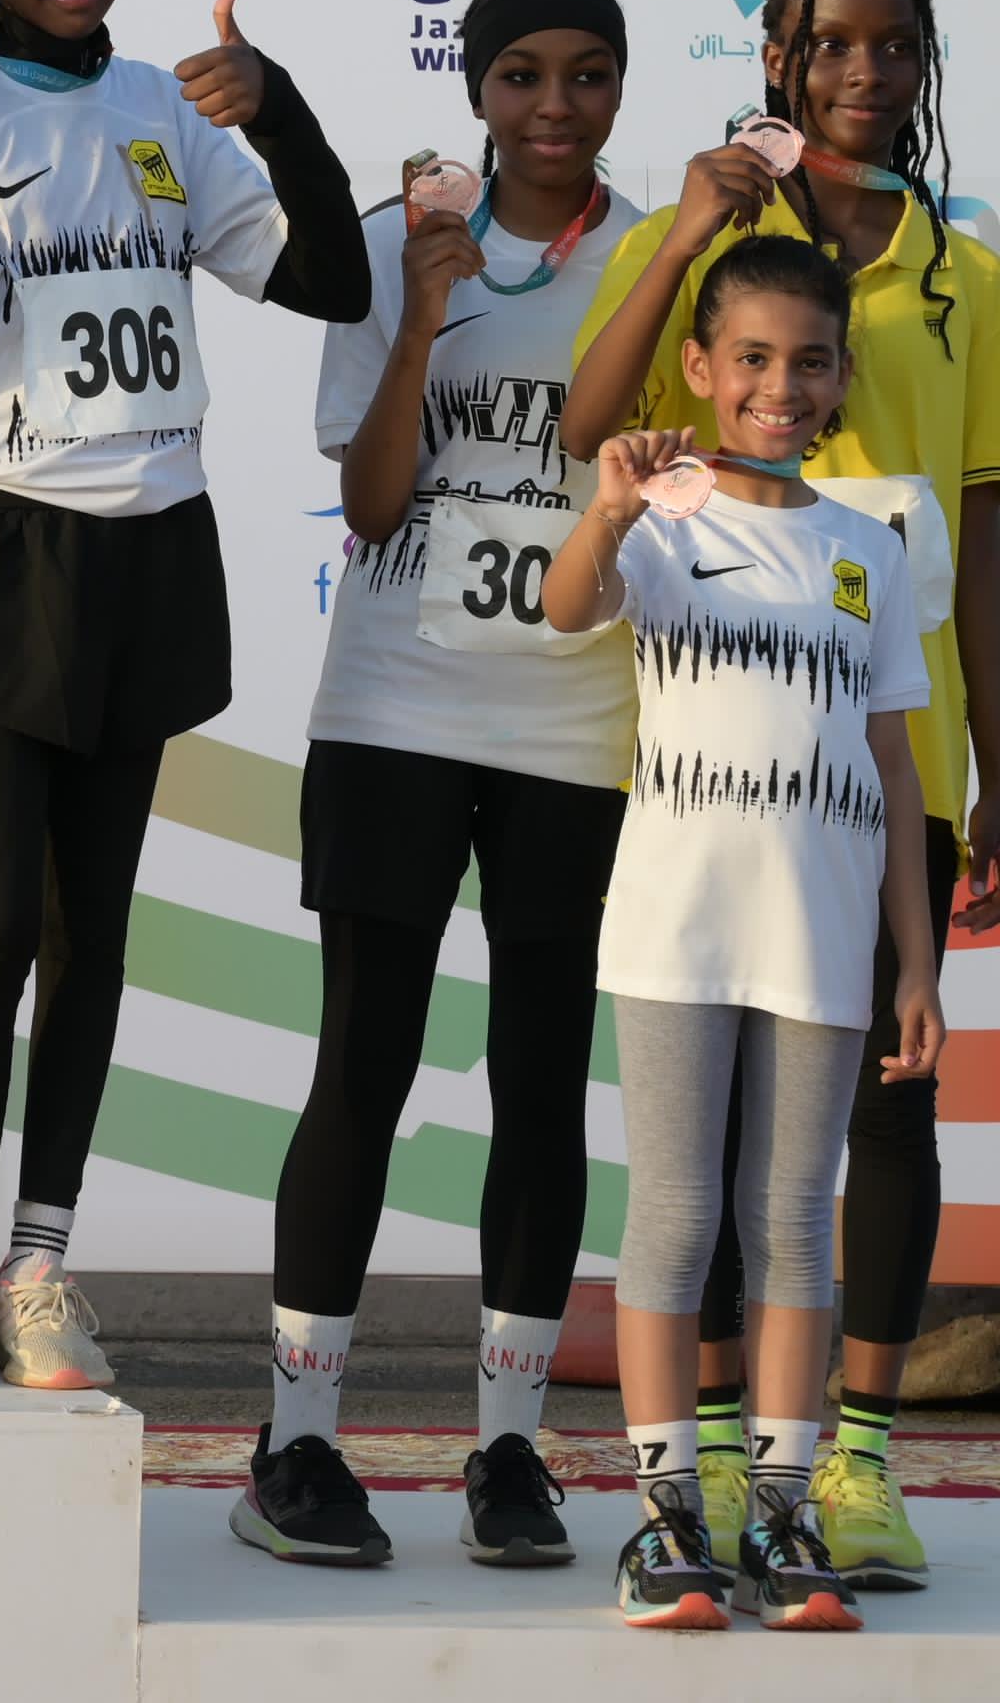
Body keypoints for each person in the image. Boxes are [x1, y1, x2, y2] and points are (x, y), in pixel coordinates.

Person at [0, 0, 368, 1393]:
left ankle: (40, 1265)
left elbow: (332, 276)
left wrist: (281, 109)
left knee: (90, 934)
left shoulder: (165, 107)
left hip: (148, 550)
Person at [559, 0, 998, 1588]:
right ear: (776, 57)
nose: (864, 72)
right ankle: (711, 1472)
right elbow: (589, 430)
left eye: (894, 45)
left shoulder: (967, 275)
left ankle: (854, 1463)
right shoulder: (705, 233)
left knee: (876, 1132)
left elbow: (981, 533)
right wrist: (687, 233)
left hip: (887, 762)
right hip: (709, 792)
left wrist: (993, 754)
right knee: (698, 1180)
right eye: (831, 43)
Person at [235, 0, 640, 1564]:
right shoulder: (400, 241)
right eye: (522, 74)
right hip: (395, 708)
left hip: (575, 721)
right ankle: (297, 1438)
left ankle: (512, 1451)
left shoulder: (656, 257)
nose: (555, 104)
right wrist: (419, 314)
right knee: (366, 1062)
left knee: (539, 1078)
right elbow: (374, 500)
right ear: (477, 88)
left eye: (588, 73)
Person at [538, 240, 948, 1634]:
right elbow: (566, 606)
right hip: (674, 929)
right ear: (701, 370)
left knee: (792, 1228)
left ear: (843, 375)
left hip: (822, 937)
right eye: (754, 359)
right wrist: (607, 510)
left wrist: (918, 962)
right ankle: (668, 1521)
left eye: (810, 360)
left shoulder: (867, 547)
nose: (783, 385)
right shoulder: (662, 514)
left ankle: (780, 1516)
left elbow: (893, 762)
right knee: (677, 1217)